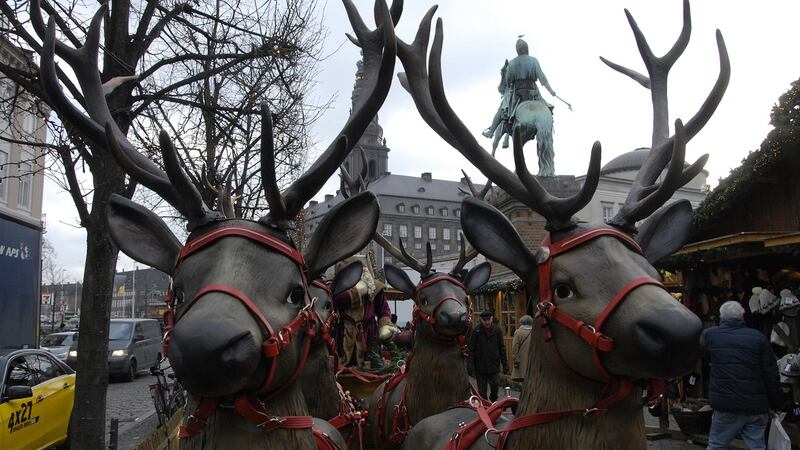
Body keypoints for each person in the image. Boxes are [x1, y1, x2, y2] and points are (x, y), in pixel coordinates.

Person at [702, 301, 782, 450]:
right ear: (742, 316)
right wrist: (777, 403)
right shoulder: (758, 337)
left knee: (716, 445)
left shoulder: (710, 335)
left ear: (721, 317)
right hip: (756, 406)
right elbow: (771, 374)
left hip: (726, 405)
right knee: (757, 446)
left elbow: (706, 358)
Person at [483, 38, 556, 139]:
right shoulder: (534, 60)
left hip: (518, 94)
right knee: (546, 108)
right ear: (527, 49)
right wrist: (551, 90)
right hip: (533, 92)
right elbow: (543, 79)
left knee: (501, 109)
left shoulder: (512, 63)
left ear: (517, 50)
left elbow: (508, 81)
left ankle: (491, 132)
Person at [333, 256, 397, 368]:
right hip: (342, 335)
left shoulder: (374, 288)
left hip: (368, 337)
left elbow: (383, 309)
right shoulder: (336, 289)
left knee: (370, 366)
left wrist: (385, 324)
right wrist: (356, 291)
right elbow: (335, 300)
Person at [468, 309, 509, 401]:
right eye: (485, 320)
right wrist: (470, 365)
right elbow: (471, 349)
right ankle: (486, 406)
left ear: (492, 319)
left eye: (488, 320)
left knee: (495, 385)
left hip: (494, 364)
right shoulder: (476, 331)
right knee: (482, 391)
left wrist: (505, 365)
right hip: (480, 366)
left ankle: (493, 398)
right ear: (481, 320)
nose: (487, 322)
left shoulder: (497, 330)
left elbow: (502, 348)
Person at [510, 315, 533, 382]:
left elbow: (515, 347)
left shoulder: (518, 332)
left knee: (523, 379)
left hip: (521, 360)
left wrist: (515, 360)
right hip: (532, 359)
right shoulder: (534, 332)